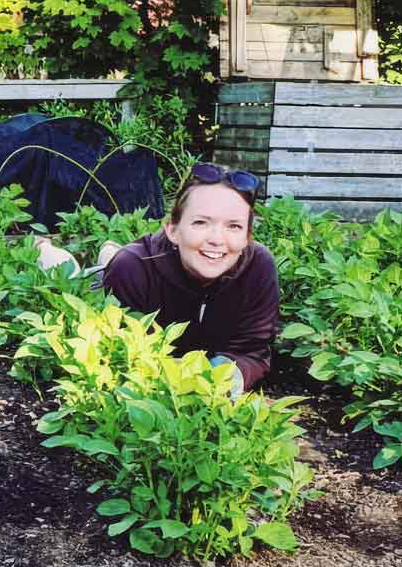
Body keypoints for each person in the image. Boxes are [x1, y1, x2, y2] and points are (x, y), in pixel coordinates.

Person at [98, 163, 278, 396]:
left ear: (247, 238)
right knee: (74, 268)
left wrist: (220, 378)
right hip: (122, 268)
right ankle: (60, 250)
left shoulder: (258, 266)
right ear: (173, 229)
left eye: (233, 226)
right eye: (201, 222)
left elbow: (254, 350)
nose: (216, 239)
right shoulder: (131, 268)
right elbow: (123, 355)